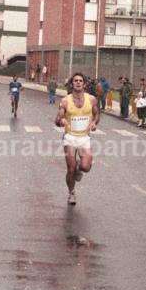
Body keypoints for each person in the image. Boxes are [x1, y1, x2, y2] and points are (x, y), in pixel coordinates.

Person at [55, 73, 99, 206]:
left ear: (84, 84)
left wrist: (94, 123)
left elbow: (97, 115)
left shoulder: (91, 100)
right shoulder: (65, 101)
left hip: (84, 138)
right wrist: (61, 120)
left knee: (85, 167)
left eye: (80, 81)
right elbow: (57, 120)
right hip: (70, 138)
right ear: (72, 84)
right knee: (71, 168)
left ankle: (80, 169)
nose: (78, 83)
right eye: (75, 81)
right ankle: (71, 192)